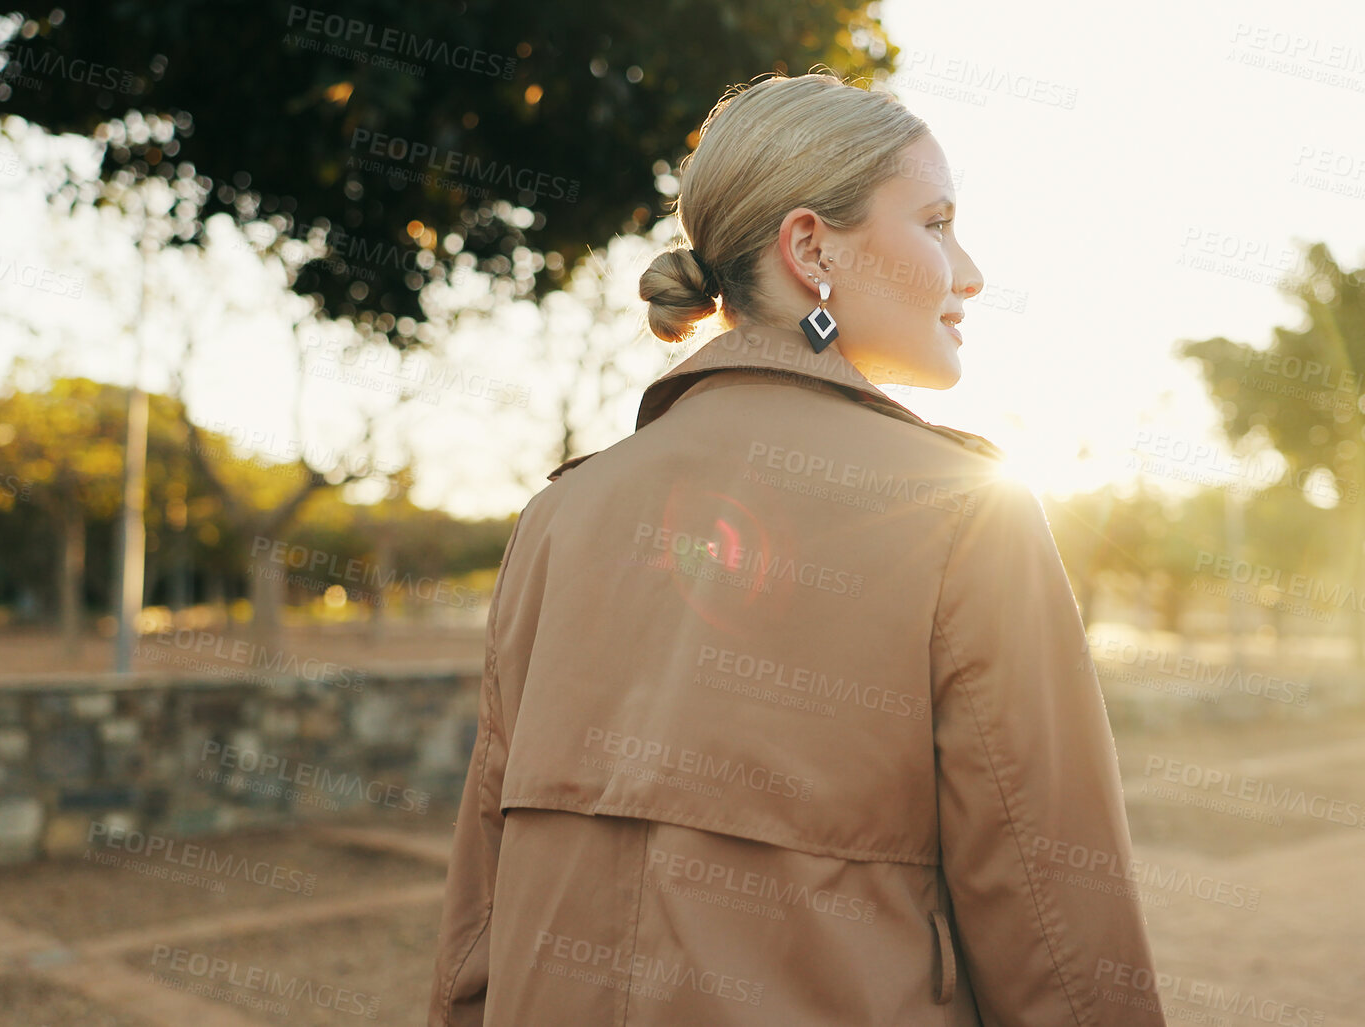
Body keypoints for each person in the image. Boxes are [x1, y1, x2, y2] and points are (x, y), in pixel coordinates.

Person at [429, 70, 1162, 1026]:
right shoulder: (963, 511)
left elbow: (480, 908)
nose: (970, 271)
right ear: (811, 246)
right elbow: (1055, 920)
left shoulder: (560, 515)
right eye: (936, 222)